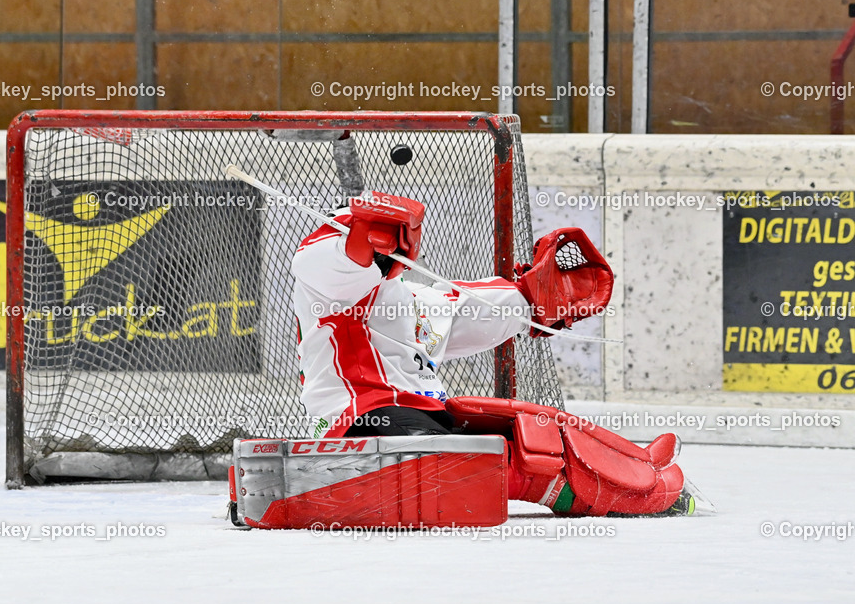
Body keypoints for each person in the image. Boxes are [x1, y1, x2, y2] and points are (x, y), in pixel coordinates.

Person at [291, 191, 711, 517]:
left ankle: (640, 470)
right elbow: (327, 260)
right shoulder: (326, 288)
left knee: (543, 430)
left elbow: (464, 310)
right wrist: (364, 235)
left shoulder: (401, 296)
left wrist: (530, 299)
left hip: (419, 413)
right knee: (506, 461)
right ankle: (633, 494)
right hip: (360, 419)